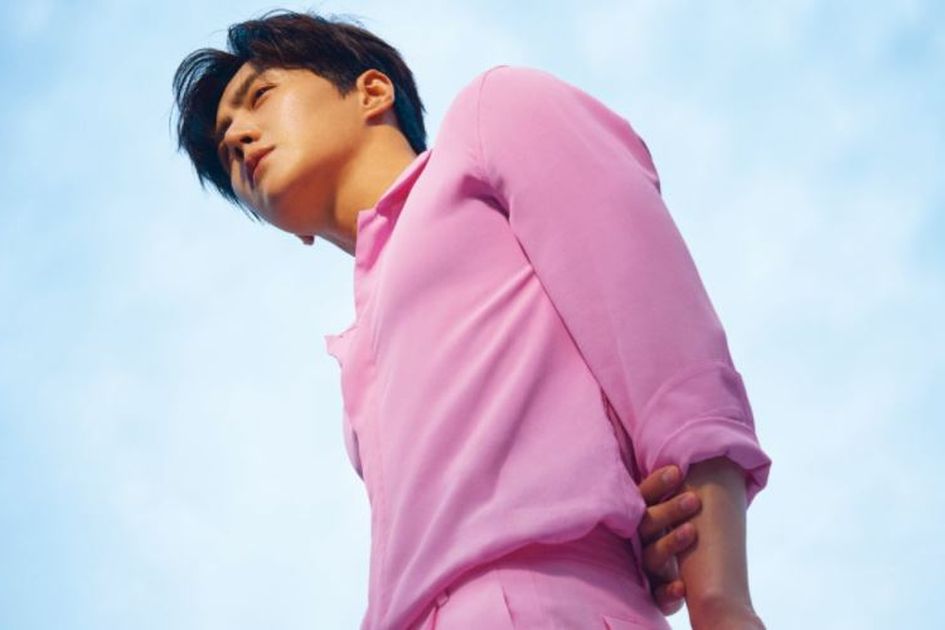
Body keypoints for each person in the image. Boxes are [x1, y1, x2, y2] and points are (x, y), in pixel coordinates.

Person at [171, 9, 771, 629]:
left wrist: (718, 597)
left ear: (372, 92)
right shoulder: (360, 355)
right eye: (226, 146)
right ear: (291, 233)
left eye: (260, 97)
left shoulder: (493, 116)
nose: (240, 137)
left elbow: (654, 317)